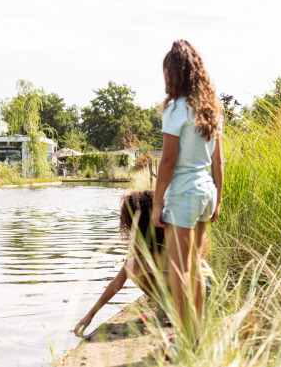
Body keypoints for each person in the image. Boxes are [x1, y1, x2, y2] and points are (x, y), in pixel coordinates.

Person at [152, 39, 223, 341]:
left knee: (179, 272)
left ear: (173, 74)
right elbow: (218, 162)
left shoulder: (176, 110)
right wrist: (218, 198)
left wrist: (157, 203)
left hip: (183, 195)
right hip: (205, 192)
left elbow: (167, 162)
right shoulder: (211, 110)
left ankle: (186, 341)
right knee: (194, 267)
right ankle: (196, 338)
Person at [73, 189, 217, 337]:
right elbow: (117, 283)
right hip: (191, 290)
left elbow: (188, 275)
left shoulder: (173, 236)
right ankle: (170, 310)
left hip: (203, 289)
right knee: (133, 266)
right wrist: (90, 315)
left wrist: (154, 272)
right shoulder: (141, 247)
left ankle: (179, 313)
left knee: (138, 267)